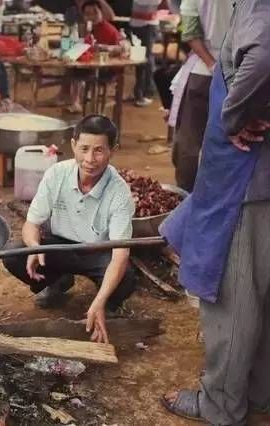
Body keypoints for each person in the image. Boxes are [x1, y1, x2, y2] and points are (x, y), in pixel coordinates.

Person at [160, 1, 270, 423]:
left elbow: (261, 54)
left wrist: (234, 115)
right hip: (254, 177)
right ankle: (259, 390)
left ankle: (221, 404)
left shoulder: (259, 10)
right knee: (262, 293)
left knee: (236, 299)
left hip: (246, 180)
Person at [3, 115, 136, 344]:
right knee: (15, 254)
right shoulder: (56, 174)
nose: (89, 159)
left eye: (99, 151)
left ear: (112, 151)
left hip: (98, 252)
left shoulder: (119, 192)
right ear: (73, 145)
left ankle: (108, 301)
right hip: (59, 244)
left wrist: (99, 301)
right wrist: (35, 247)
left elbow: (120, 254)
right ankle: (58, 281)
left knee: (126, 279)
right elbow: (31, 224)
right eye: (83, 149)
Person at [169, 0, 233, 192]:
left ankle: (186, 195)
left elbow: (190, 33)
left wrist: (213, 65)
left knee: (189, 140)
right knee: (231, 139)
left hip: (203, 72)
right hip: (244, 72)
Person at [66, 0, 122, 113]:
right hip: (89, 65)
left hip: (107, 68)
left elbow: (121, 48)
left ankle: (95, 108)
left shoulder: (110, 30)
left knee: (86, 73)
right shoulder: (84, 29)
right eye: (87, 14)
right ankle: (75, 102)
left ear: (102, 13)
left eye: (94, 13)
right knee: (73, 70)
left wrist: (107, 48)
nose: (91, 17)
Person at [129, 0, 169, 107]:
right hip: (135, 24)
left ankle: (147, 92)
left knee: (146, 59)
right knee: (138, 59)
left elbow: (152, 10)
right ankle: (138, 91)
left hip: (148, 26)